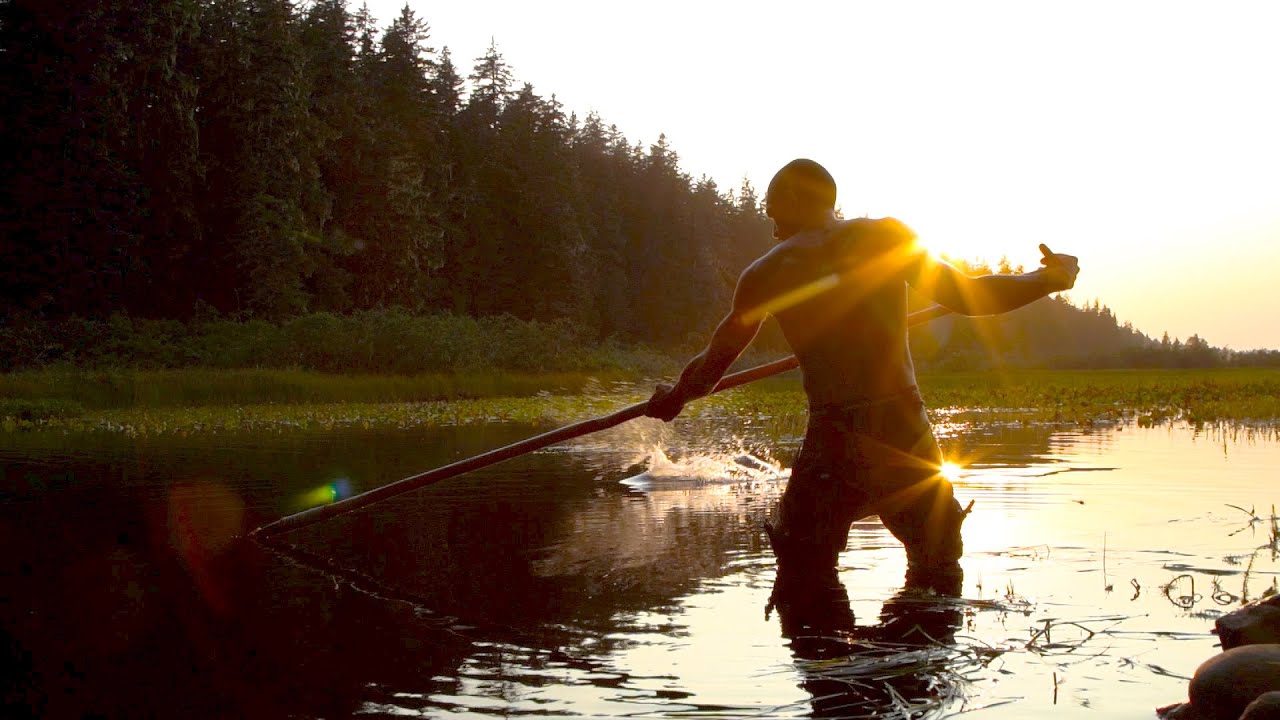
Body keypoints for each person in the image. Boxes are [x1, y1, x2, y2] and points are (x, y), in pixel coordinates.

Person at [646, 158, 1079, 586]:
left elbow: (714, 362)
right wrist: (1048, 280)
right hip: (905, 428)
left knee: (804, 575)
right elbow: (973, 297)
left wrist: (676, 396)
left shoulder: (767, 273)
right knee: (937, 564)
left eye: (773, 212)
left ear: (797, 198)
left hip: (835, 436)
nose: (773, 229)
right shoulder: (885, 238)